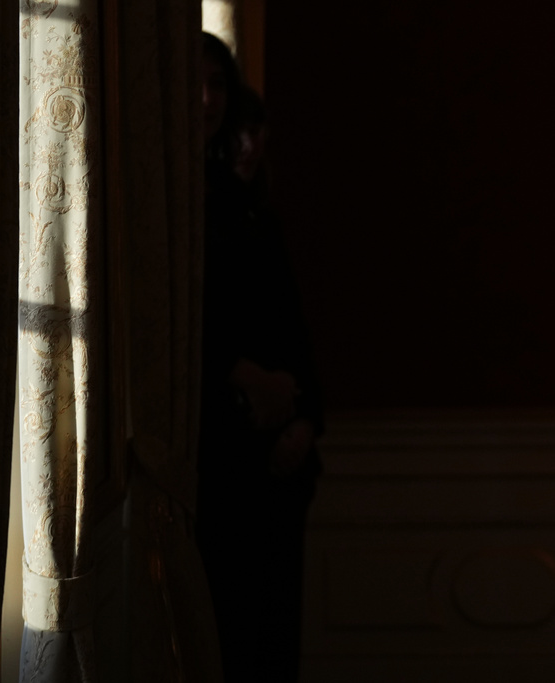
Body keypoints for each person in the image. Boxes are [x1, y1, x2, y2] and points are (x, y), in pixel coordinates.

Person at [197, 32, 323, 682]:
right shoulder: (174, 206)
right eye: (195, 85)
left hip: (277, 460)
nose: (207, 99)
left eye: (217, 84)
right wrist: (241, 376)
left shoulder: (245, 205)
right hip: (219, 458)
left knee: (272, 641)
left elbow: (292, 326)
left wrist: (302, 418)